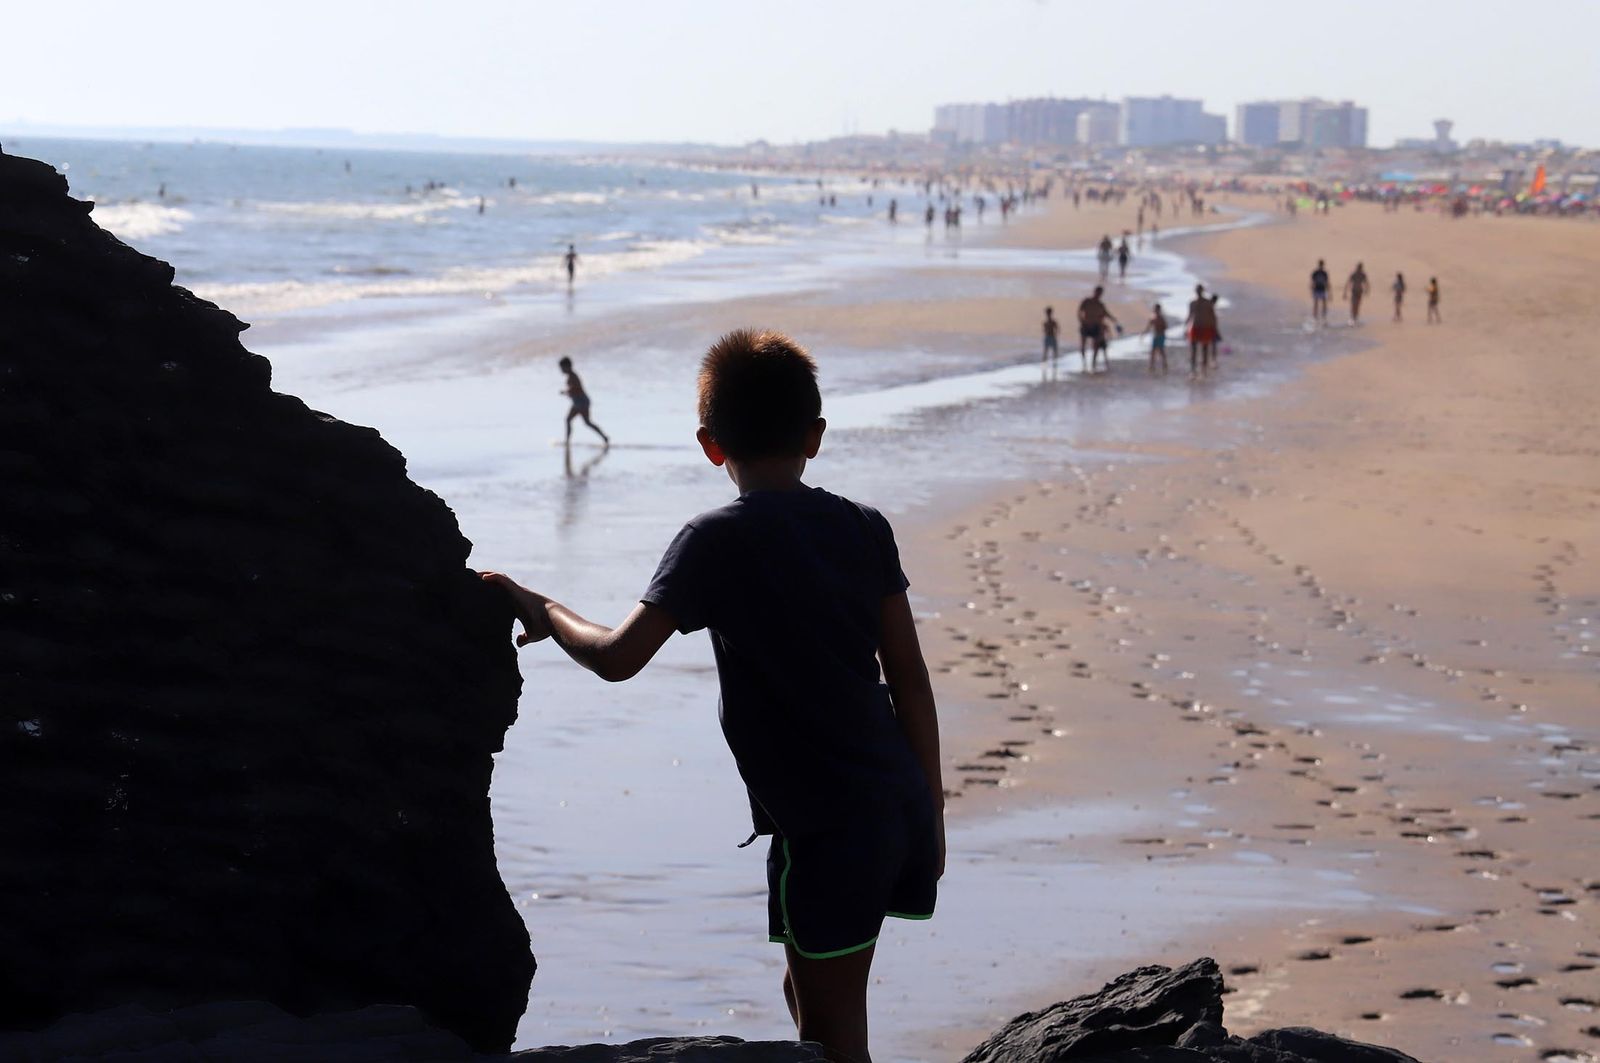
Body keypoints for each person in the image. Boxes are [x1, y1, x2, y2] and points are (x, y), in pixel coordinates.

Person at [483, 331, 943, 1063]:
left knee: (832, 1036)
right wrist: (933, 810)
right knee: (809, 992)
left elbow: (616, 657)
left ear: (710, 444)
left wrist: (544, 608)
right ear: (814, 437)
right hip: (889, 801)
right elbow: (910, 676)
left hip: (826, 827)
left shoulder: (715, 538)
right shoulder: (863, 526)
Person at [558, 356, 609, 445]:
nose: (561, 370)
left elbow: (576, 388)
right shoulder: (570, 376)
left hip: (582, 402)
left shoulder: (573, 376)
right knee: (568, 420)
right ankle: (567, 441)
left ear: (567, 366)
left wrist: (566, 392)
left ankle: (604, 437)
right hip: (577, 402)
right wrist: (568, 393)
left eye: (562, 368)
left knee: (587, 422)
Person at [1077, 285, 1121, 373]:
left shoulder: (1100, 305)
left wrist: (1113, 319)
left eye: (1100, 293)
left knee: (1096, 346)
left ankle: (1093, 363)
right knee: (1083, 345)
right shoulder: (1087, 301)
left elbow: (1106, 313)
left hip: (1096, 326)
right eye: (1098, 292)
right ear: (1094, 292)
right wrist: (1081, 321)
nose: (1098, 295)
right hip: (1085, 325)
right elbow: (1079, 311)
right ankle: (1084, 362)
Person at [1185, 284, 1220, 375]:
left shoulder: (1207, 303)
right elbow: (1190, 316)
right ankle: (1193, 370)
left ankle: (1203, 370)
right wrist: (1185, 327)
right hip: (1196, 327)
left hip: (1205, 327)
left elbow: (1212, 316)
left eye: (1199, 290)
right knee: (1194, 350)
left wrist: (1214, 328)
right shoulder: (1192, 303)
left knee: (1204, 349)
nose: (1199, 292)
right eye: (1198, 290)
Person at [1139, 303, 1168, 374]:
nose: (1156, 310)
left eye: (1157, 309)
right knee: (1153, 351)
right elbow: (1148, 327)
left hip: (1161, 336)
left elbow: (1166, 327)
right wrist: (1143, 334)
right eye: (1155, 309)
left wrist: (1161, 329)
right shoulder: (1153, 318)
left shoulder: (1161, 318)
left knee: (1161, 351)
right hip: (1155, 336)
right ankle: (1151, 366)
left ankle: (1164, 365)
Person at [1310, 259, 1330, 324]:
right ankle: (1315, 317)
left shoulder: (1324, 273)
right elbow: (1312, 282)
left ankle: (1323, 316)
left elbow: (1327, 282)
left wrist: (1329, 292)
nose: (1321, 266)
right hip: (1316, 289)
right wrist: (1312, 290)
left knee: (1324, 304)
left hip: (1322, 289)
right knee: (1316, 304)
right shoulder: (1315, 272)